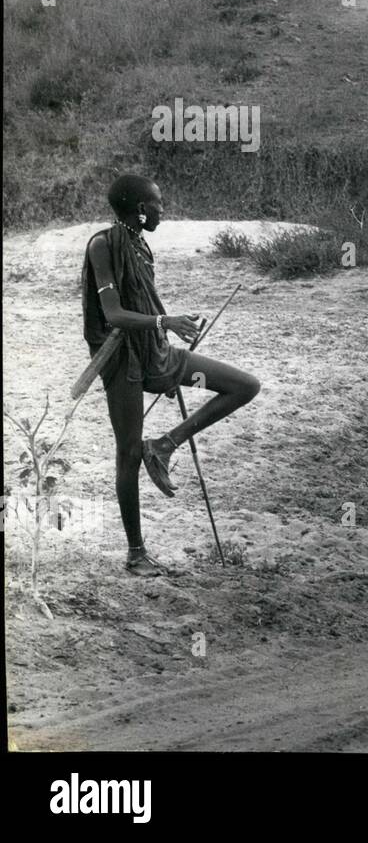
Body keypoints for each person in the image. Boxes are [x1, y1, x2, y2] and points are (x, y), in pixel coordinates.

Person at [81, 174, 260, 576]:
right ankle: (135, 553)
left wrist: (167, 325)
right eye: (158, 203)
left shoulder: (140, 245)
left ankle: (163, 445)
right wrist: (166, 320)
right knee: (127, 452)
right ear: (141, 208)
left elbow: (141, 302)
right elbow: (113, 314)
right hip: (122, 358)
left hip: (156, 352)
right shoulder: (102, 245)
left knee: (244, 386)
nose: (164, 208)